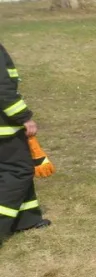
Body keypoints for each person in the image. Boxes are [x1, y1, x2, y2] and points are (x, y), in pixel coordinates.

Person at [1, 42, 51, 247]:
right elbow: (3, 90)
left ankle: (27, 219)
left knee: (18, 167)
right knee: (18, 171)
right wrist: (24, 117)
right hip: (5, 129)